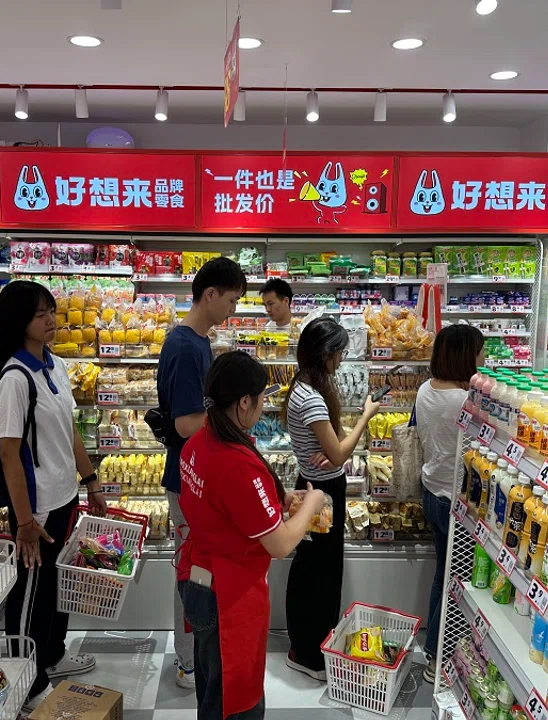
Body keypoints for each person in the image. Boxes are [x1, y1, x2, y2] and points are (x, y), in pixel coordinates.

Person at [178, 351, 327, 720]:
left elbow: (223, 507)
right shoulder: (238, 462)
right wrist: (313, 503)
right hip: (229, 595)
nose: (264, 406)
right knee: (237, 700)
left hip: (197, 578)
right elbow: (278, 544)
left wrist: (280, 500)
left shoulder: (198, 441)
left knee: (213, 689)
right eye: (262, 398)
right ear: (244, 402)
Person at [0, 280, 106, 713]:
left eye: (52, 311)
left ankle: (52, 656)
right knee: (30, 595)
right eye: (40, 314)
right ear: (19, 321)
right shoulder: (14, 379)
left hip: (64, 497)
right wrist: (23, 522)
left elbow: (70, 431)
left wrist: (90, 480)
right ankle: (25, 678)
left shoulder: (54, 366)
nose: (51, 320)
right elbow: (9, 453)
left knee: (56, 586)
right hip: (35, 508)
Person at [157, 257, 247, 689]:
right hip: (187, 480)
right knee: (191, 571)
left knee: (202, 569)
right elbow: (185, 423)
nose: (232, 309)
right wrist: (233, 420)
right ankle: (188, 662)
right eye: (230, 300)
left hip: (200, 476)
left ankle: (201, 651)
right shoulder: (185, 346)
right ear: (209, 294)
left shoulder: (200, 340)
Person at [281, 317, 381, 681]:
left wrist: (333, 444)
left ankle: (306, 646)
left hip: (313, 485)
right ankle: (308, 655)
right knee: (320, 574)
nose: (341, 359)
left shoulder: (305, 388)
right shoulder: (312, 397)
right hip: (320, 495)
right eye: (339, 353)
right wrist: (365, 418)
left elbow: (333, 446)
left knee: (311, 567)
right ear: (324, 354)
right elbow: (338, 455)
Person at [415, 324, 484, 683]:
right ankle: (441, 659)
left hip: (432, 492)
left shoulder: (426, 389)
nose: (483, 358)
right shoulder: (461, 401)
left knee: (444, 576)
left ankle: (433, 652)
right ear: (464, 356)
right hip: (455, 503)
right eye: (479, 352)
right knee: (457, 582)